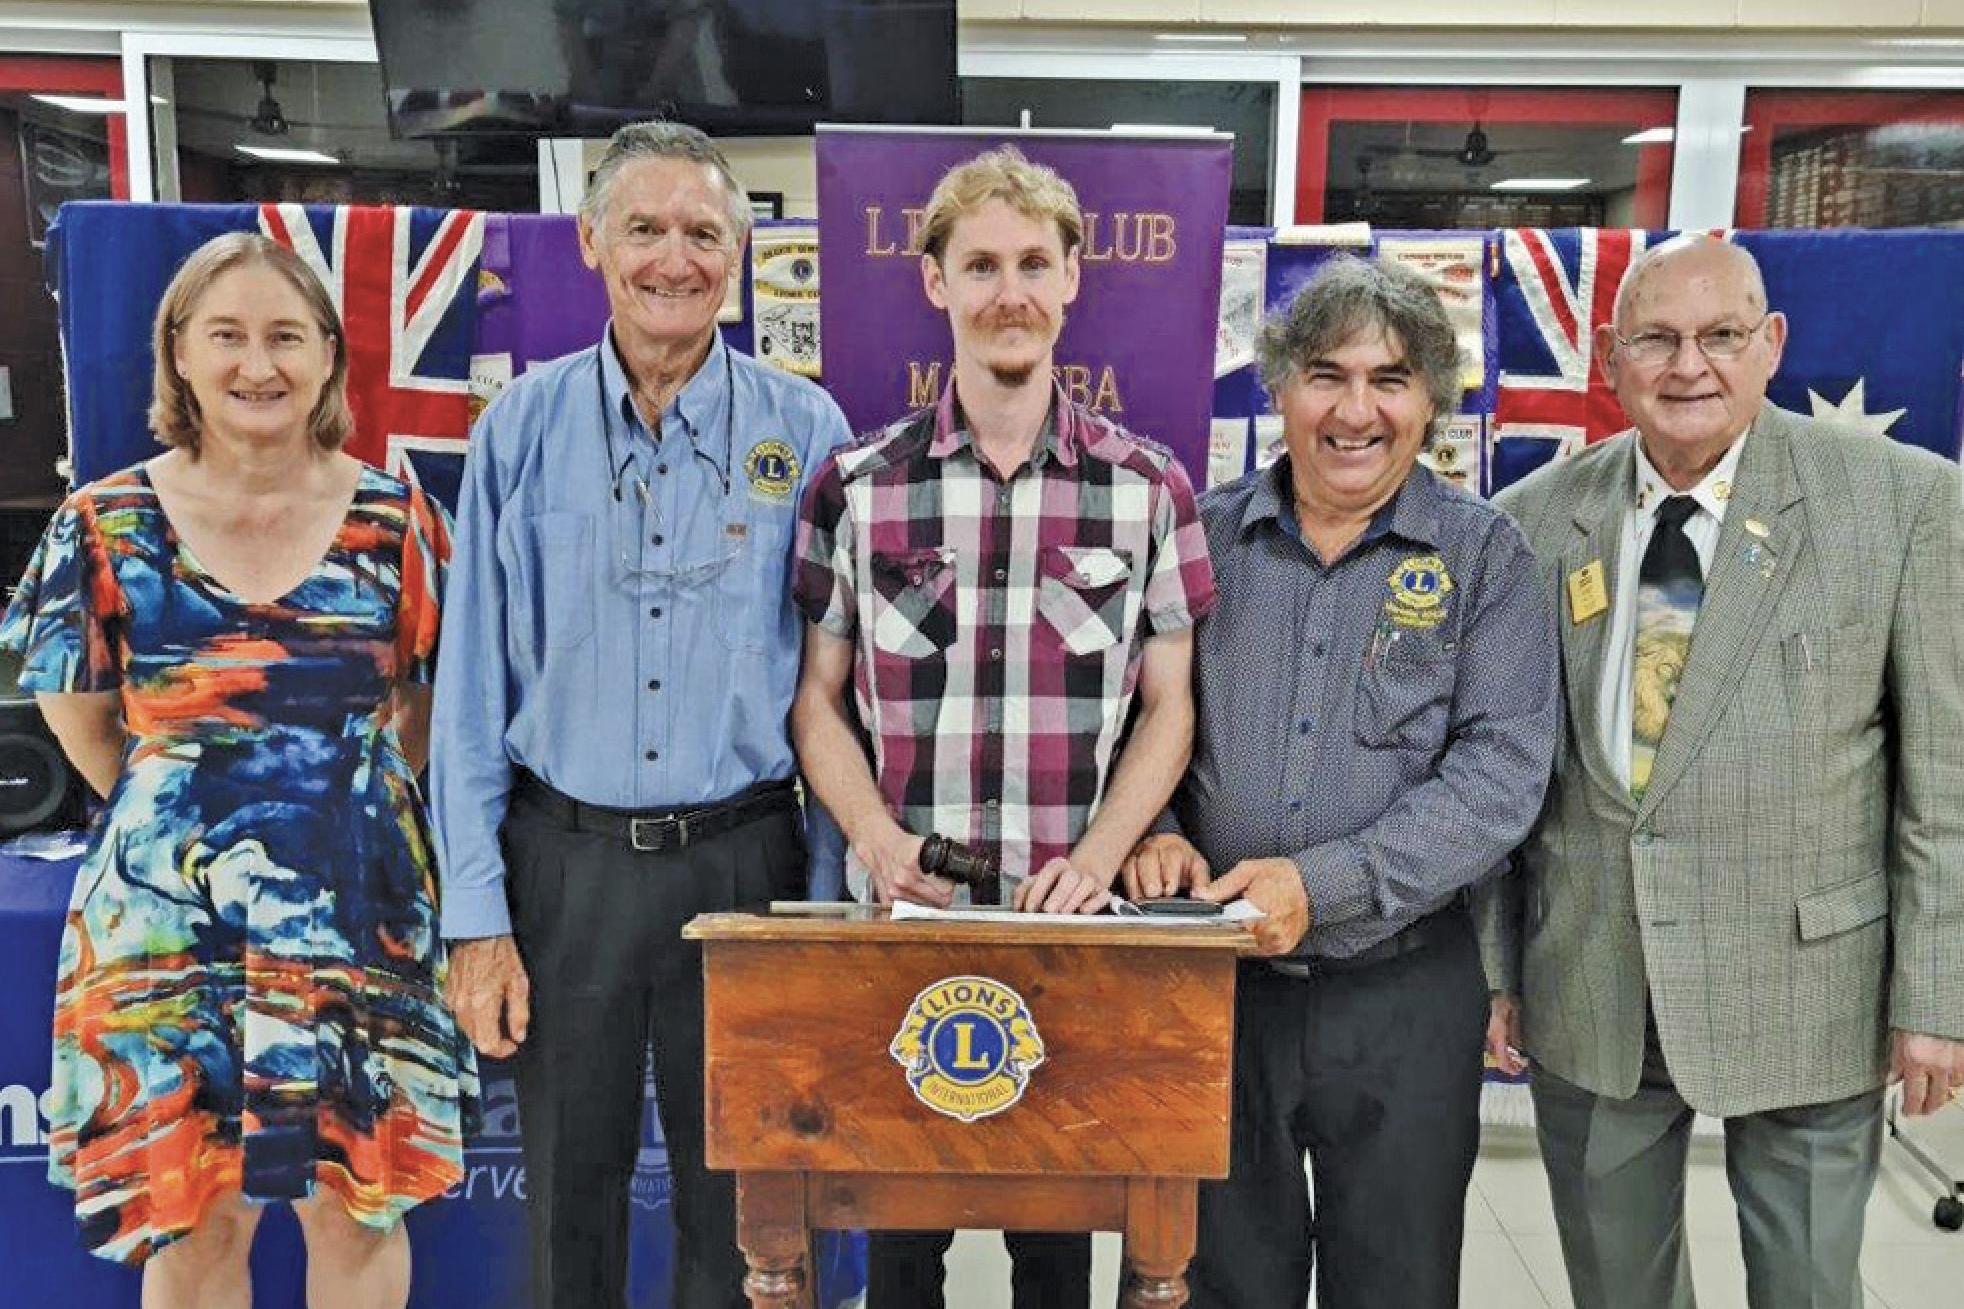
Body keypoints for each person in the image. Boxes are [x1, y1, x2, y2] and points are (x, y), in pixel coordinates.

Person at [1480, 233, 1964, 1309]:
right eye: (1655, 338)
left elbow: (1946, 785)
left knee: (1803, 1288)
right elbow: (1506, 777)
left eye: (1719, 336)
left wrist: (1935, 995)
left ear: (1769, 344)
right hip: (1592, 979)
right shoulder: (1529, 525)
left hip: (1809, 988)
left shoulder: (1900, 505)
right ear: (1611, 357)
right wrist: (1495, 966)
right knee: (1616, 1292)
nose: (1686, 365)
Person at [0, 231, 470, 1308]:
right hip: (167, 930)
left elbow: (431, 714)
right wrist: (188, 801)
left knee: (355, 1211)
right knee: (195, 1223)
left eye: (284, 336)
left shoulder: (401, 525)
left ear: (328, 359)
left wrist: (333, 807)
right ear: (178, 355)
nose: (257, 364)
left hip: (359, 913)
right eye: (228, 336)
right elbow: (81, 721)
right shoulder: (103, 526)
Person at [430, 120, 852, 1309]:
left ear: (740, 252)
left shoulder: (805, 429)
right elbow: (467, 694)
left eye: (702, 233)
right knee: (569, 1195)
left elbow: (833, 687)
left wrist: (823, 912)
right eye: (645, 228)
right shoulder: (520, 428)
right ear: (591, 244)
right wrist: (476, 918)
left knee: (747, 1201)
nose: (674, 258)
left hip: (745, 859)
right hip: (565, 868)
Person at [789, 145, 1215, 1308]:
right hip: (901, 927)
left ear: (1073, 277)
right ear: (933, 283)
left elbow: (1168, 706)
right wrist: (875, 838)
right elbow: (815, 701)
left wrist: (1092, 860)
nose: (1007, 291)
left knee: (1054, 1243)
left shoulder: (1148, 490)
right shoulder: (854, 488)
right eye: (978, 264)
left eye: (1033, 262)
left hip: (1068, 933)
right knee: (901, 1245)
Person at [1123, 255, 1559, 1309]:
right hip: (1212, 994)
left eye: (1390, 378)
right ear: (1277, 387)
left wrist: (1319, 884)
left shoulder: (1483, 556)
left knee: (1395, 1283)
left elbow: (1500, 773)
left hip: (1402, 991)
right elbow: (1140, 718)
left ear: (1429, 403)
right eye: (1325, 374)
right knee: (1218, 1278)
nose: (1353, 410)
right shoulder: (1199, 539)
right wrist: (1159, 828)